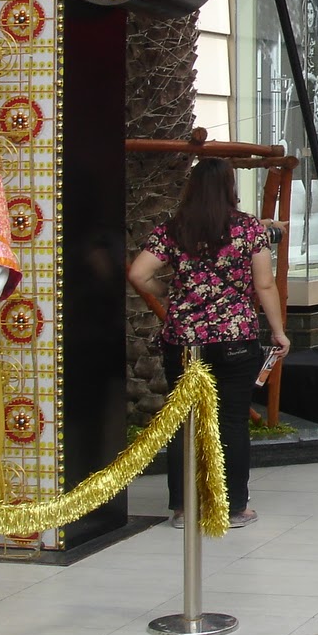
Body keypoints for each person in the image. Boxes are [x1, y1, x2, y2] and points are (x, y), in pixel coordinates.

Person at [128, 157, 291, 530]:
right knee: (232, 421)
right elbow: (264, 284)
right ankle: (234, 508)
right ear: (230, 187)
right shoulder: (249, 229)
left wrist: (167, 291)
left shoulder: (174, 229)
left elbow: (138, 273)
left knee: (184, 421)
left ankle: (184, 509)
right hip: (235, 338)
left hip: (183, 340)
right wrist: (278, 332)